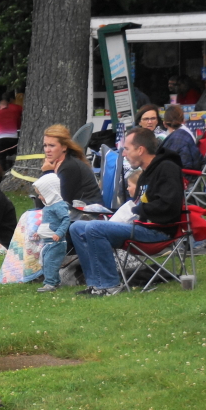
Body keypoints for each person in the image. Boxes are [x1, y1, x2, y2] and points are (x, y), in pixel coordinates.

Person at [69, 126, 184, 296]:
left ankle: (110, 286)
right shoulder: (145, 173)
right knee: (76, 227)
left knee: (94, 228)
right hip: (140, 225)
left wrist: (138, 210)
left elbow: (170, 205)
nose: (123, 154)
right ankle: (95, 284)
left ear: (140, 150)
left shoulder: (167, 168)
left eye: (127, 149)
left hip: (158, 231)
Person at [40, 124, 102, 209]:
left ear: (64, 147)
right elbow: (41, 200)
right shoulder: (59, 163)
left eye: (52, 145)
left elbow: (56, 202)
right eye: (45, 145)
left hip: (87, 213)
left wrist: (47, 173)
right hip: (73, 211)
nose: (47, 150)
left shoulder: (69, 166)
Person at [31, 174, 71, 293]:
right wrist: (39, 232)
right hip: (48, 242)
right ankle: (55, 281)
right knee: (45, 261)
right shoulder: (48, 207)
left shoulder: (58, 206)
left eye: (41, 194)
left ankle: (50, 283)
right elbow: (46, 222)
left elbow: (66, 219)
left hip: (56, 242)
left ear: (50, 192)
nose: (39, 197)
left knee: (51, 262)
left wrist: (59, 233)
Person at [161, 105, 203, 170]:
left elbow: (184, 164)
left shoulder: (177, 139)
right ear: (183, 121)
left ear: (164, 124)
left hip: (181, 176)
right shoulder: (185, 133)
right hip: (190, 172)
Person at [0, 91, 22, 168]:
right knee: (16, 153)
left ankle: (2, 169)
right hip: (14, 138)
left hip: (1, 139)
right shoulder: (14, 112)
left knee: (1, 157)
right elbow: (18, 125)